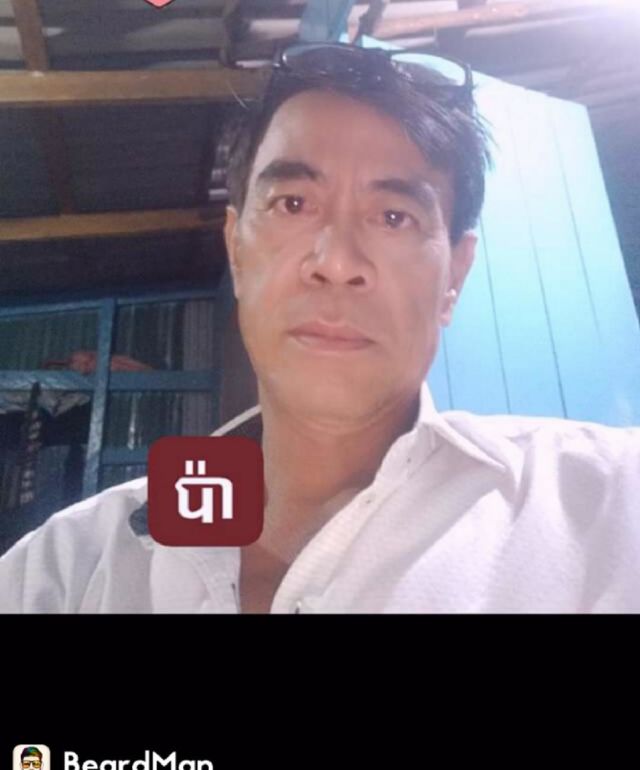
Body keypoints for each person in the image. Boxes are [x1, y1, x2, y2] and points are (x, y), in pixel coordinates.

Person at [0, 42, 638, 613]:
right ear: (237, 251)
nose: (336, 262)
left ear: (455, 276)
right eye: (293, 204)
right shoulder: (69, 569)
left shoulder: (605, 508)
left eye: (394, 217)